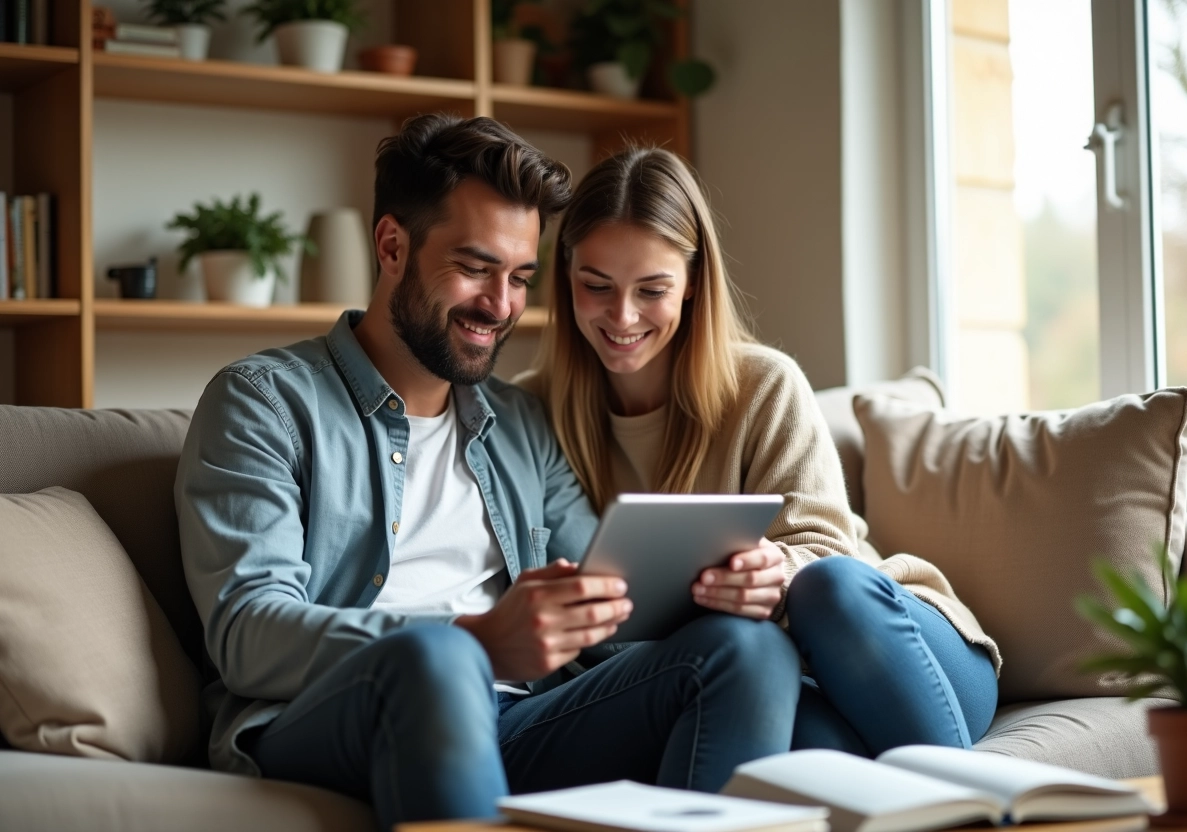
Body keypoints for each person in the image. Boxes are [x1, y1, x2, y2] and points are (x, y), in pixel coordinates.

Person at [175, 116, 802, 832]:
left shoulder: (521, 422)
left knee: (745, 651)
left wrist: (732, 587)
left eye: (521, 278)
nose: (501, 306)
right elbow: (247, 633)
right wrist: (474, 637)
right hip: (331, 714)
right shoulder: (264, 403)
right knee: (438, 659)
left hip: (518, 715)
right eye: (475, 268)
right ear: (391, 246)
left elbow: (609, 605)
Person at [519, 146, 1001, 758]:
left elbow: (828, 552)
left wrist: (777, 574)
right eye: (597, 286)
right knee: (781, 730)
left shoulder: (763, 384)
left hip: (897, 646)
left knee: (826, 587)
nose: (623, 315)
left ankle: (969, 798)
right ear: (565, 275)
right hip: (774, 675)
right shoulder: (531, 412)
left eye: (652, 289)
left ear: (693, 283)